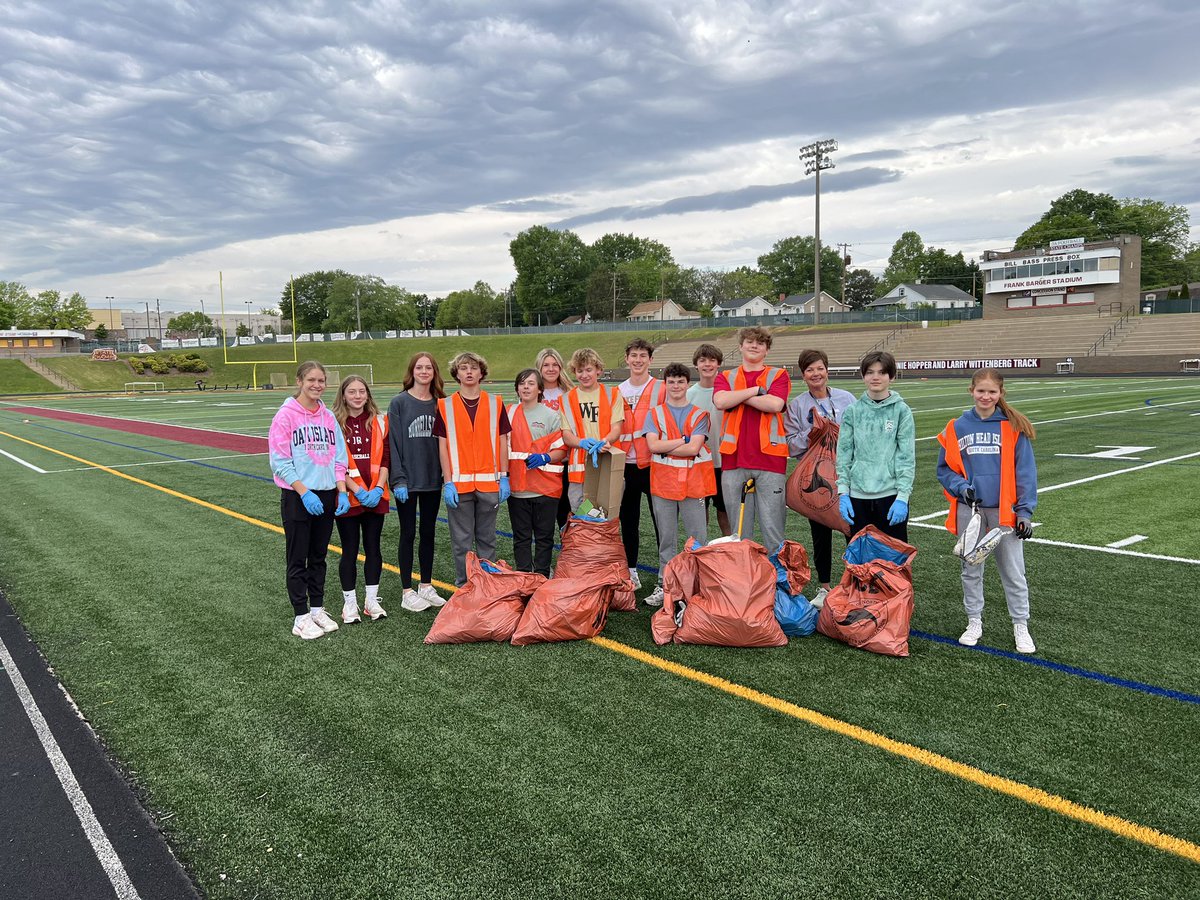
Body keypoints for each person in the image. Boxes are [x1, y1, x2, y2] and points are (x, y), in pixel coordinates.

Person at [936, 368, 1039, 653]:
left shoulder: (1012, 427)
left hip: (1005, 513)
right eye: (981, 391)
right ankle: (974, 621)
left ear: (1001, 394)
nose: (986, 396)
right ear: (971, 391)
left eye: (992, 392)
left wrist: (1024, 512)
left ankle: (1020, 624)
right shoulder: (957, 427)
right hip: (971, 511)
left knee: (1014, 572)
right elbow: (944, 469)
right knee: (970, 570)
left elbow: (1026, 473)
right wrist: (960, 486)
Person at [268, 360, 349, 640]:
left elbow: (340, 456)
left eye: (321, 381)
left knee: (319, 556)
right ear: (299, 381)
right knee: (297, 557)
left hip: (326, 494)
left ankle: (317, 608)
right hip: (299, 496)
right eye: (312, 380)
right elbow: (280, 461)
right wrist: (303, 491)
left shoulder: (328, 417)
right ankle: (300, 616)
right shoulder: (285, 416)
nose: (317, 385)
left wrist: (342, 490)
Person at [784, 348, 857, 607]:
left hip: (848, 473)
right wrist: (811, 434)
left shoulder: (847, 398)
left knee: (853, 529)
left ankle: (855, 583)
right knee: (820, 531)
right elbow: (790, 445)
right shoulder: (797, 405)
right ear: (803, 375)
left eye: (819, 368)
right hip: (817, 476)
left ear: (827, 370)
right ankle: (825, 587)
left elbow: (860, 431)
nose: (816, 374)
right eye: (809, 370)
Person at [436, 351, 511, 588]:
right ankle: (465, 586)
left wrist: (504, 477)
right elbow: (443, 446)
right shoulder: (445, 405)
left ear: (481, 372)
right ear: (456, 374)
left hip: (489, 483)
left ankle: (486, 586)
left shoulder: (495, 403)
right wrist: (448, 481)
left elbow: (502, 442)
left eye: (473, 367)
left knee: (487, 539)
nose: (469, 372)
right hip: (458, 485)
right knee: (461, 541)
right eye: (463, 368)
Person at [712, 326, 791, 551]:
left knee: (773, 530)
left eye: (760, 343)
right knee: (738, 533)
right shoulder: (726, 376)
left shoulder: (778, 375)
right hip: (733, 459)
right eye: (749, 341)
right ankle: (744, 580)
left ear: (766, 350)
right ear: (740, 347)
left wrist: (737, 397)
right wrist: (756, 391)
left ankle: (779, 582)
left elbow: (775, 404)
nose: (754, 345)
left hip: (770, 459)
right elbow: (720, 402)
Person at [644, 363, 714, 607]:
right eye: (671, 381)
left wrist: (669, 445)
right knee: (667, 538)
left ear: (687, 384)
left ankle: (699, 586)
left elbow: (694, 448)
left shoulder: (699, 414)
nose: (675, 386)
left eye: (680, 381)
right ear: (665, 385)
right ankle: (665, 585)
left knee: (697, 538)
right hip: (663, 484)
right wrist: (681, 441)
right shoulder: (655, 413)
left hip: (693, 484)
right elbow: (652, 446)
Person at [835, 351, 915, 543]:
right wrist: (843, 492)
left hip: (891, 497)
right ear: (863, 376)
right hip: (857, 497)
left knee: (892, 563)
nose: (875, 377)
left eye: (882, 372)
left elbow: (906, 457)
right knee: (860, 564)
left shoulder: (901, 411)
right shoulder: (853, 411)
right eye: (870, 372)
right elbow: (844, 454)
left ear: (892, 377)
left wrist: (903, 497)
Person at [388, 352, 446, 611]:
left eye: (429, 367)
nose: (424, 371)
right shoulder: (399, 402)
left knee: (429, 533)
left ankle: (425, 585)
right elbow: (393, 443)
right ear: (412, 371)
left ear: (434, 372)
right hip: (407, 481)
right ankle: (406, 591)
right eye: (419, 367)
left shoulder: (441, 403)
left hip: (433, 479)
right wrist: (398, 479)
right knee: (408, 533)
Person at [332, 376, 391, 623]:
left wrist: (378, 488)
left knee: (374, 548)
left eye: (362, 391)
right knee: (350, 550)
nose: (357, 396)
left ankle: (371, 601)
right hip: (349, 496)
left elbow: (386, 458)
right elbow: (334, 461)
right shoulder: (334, 422)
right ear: (343, 395)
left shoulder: (379, 420)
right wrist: (357, 490)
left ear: (368, 395)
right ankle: (350, 604)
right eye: (352, 392)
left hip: (375, 495)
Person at [507, 369, 567, 577]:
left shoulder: (551, 416)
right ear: (516, 388)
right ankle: (523, 577)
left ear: (540, 389)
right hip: (517, 489)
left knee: (544, 538)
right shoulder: (509, 413)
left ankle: (541, 577)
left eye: (531, 383)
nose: (526, 387)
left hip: (546, 489)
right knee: (521, 538)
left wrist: (545, 457)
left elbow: (561, 449)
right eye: (522, 383)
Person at [617, 338, 663, 589]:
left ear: (650, 360)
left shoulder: (661, 388)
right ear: (626, 358)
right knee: (629, 520)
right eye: (633, 355)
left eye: (642, 355)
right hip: (625, 463)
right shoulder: (618, 390)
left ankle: (663, 576)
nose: (637, 360)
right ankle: (631, 571)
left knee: (661, 522)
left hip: (653, 463)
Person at [560, 347, 624, 514]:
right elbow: (566, 435)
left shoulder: (613, 394)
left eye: (589, 369)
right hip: (579, 468)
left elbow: (617, 428)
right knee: (582, 513)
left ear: (598, 370)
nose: (584, 375)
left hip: (606, 462)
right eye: (580, 370)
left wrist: (606, 441)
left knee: (606, 513)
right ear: (574, 372)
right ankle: (584, 540)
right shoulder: (566, 399)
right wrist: (581, 443)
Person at [686, 343, 731, 537]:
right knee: (699, 510)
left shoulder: (728, 392)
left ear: (718, 364)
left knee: (725, 510)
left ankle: (730, 549)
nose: (707, 364)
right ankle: (701, 551)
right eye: (702, 360)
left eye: (712, 360)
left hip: (725, 461)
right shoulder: (688, 394)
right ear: (696, 365)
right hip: (698, 463)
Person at [535, 347, 574, 532]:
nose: (551, 369)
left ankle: (570, 552)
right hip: (544, 461)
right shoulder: (533, 392)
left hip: (570, 460)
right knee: (547, 512)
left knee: (570, 509)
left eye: (555, 365)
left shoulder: (571, 393)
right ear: (539, 368)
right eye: (546, 365)